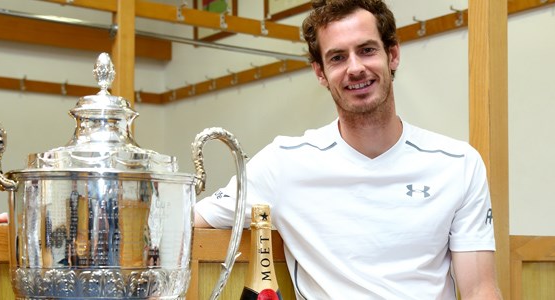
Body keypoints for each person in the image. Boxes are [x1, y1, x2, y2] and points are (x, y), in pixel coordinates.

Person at [193, 0, 501, 299]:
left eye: (366, 50)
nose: (355, 68)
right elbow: (190, 221)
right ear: (320, 73)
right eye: (338, 57)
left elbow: (479, 290)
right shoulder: (284, 163)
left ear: (392, 55)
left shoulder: (458, 164)